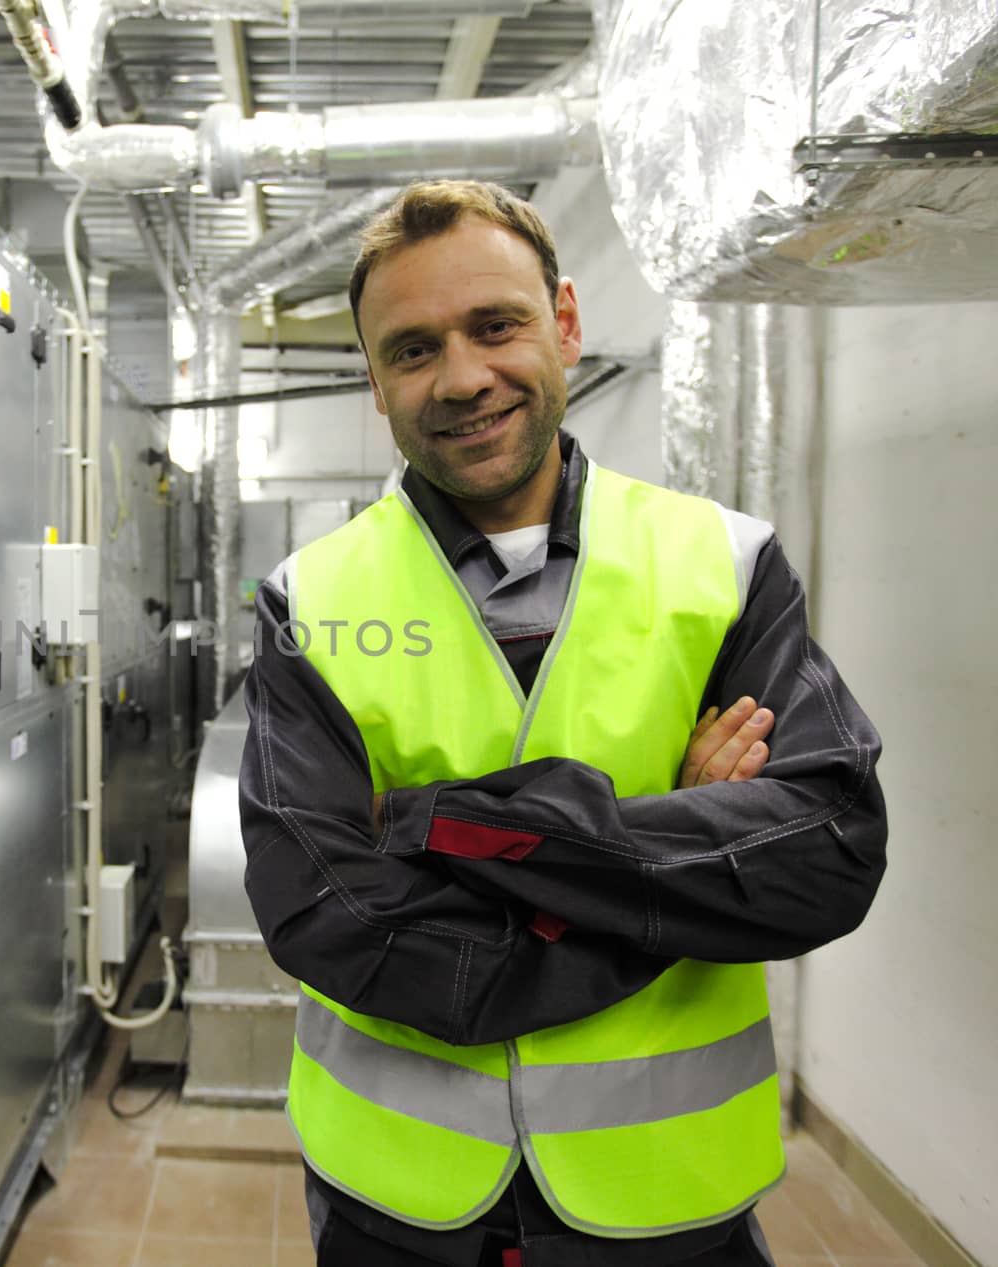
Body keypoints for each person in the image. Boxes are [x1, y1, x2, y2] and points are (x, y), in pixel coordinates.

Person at [238, 180, 887, 1267]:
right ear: (375, 382)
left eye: (496, 325)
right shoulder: (310, 600)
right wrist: (660, 876)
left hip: (666, 1200)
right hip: (398, 1204)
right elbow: (324, 911)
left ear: (566, 323)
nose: (461, 378)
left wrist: (443, 827)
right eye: (411, 349)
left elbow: (823, 851)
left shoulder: (719, 566)